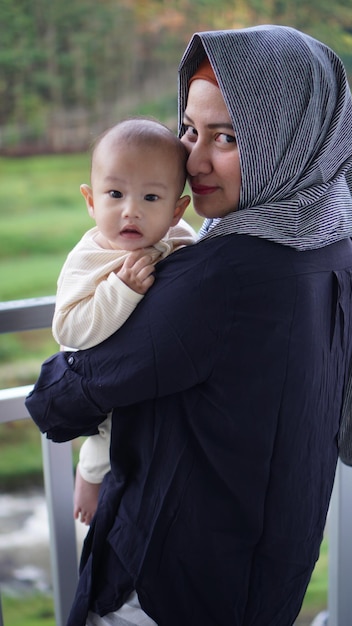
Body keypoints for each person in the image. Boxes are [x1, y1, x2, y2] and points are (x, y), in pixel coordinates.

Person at [25, 25, 352, 626]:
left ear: (287, 137)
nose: (192, 159)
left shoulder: (219, 275)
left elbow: (58, 402)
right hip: (267, 574)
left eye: (226, 136)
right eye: (190, 130)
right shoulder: (333, 247)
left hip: (165, 588)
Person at [51, 117, 195, 525]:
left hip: (153, 382)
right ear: (91, 201)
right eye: (115, 194)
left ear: (176, 209)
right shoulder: (90, 258)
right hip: (100, 381)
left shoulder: (178, 236)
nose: (130, 211)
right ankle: (89, 476)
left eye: (151, 198)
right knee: (108, 441)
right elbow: (68, 327)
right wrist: (121, 289)